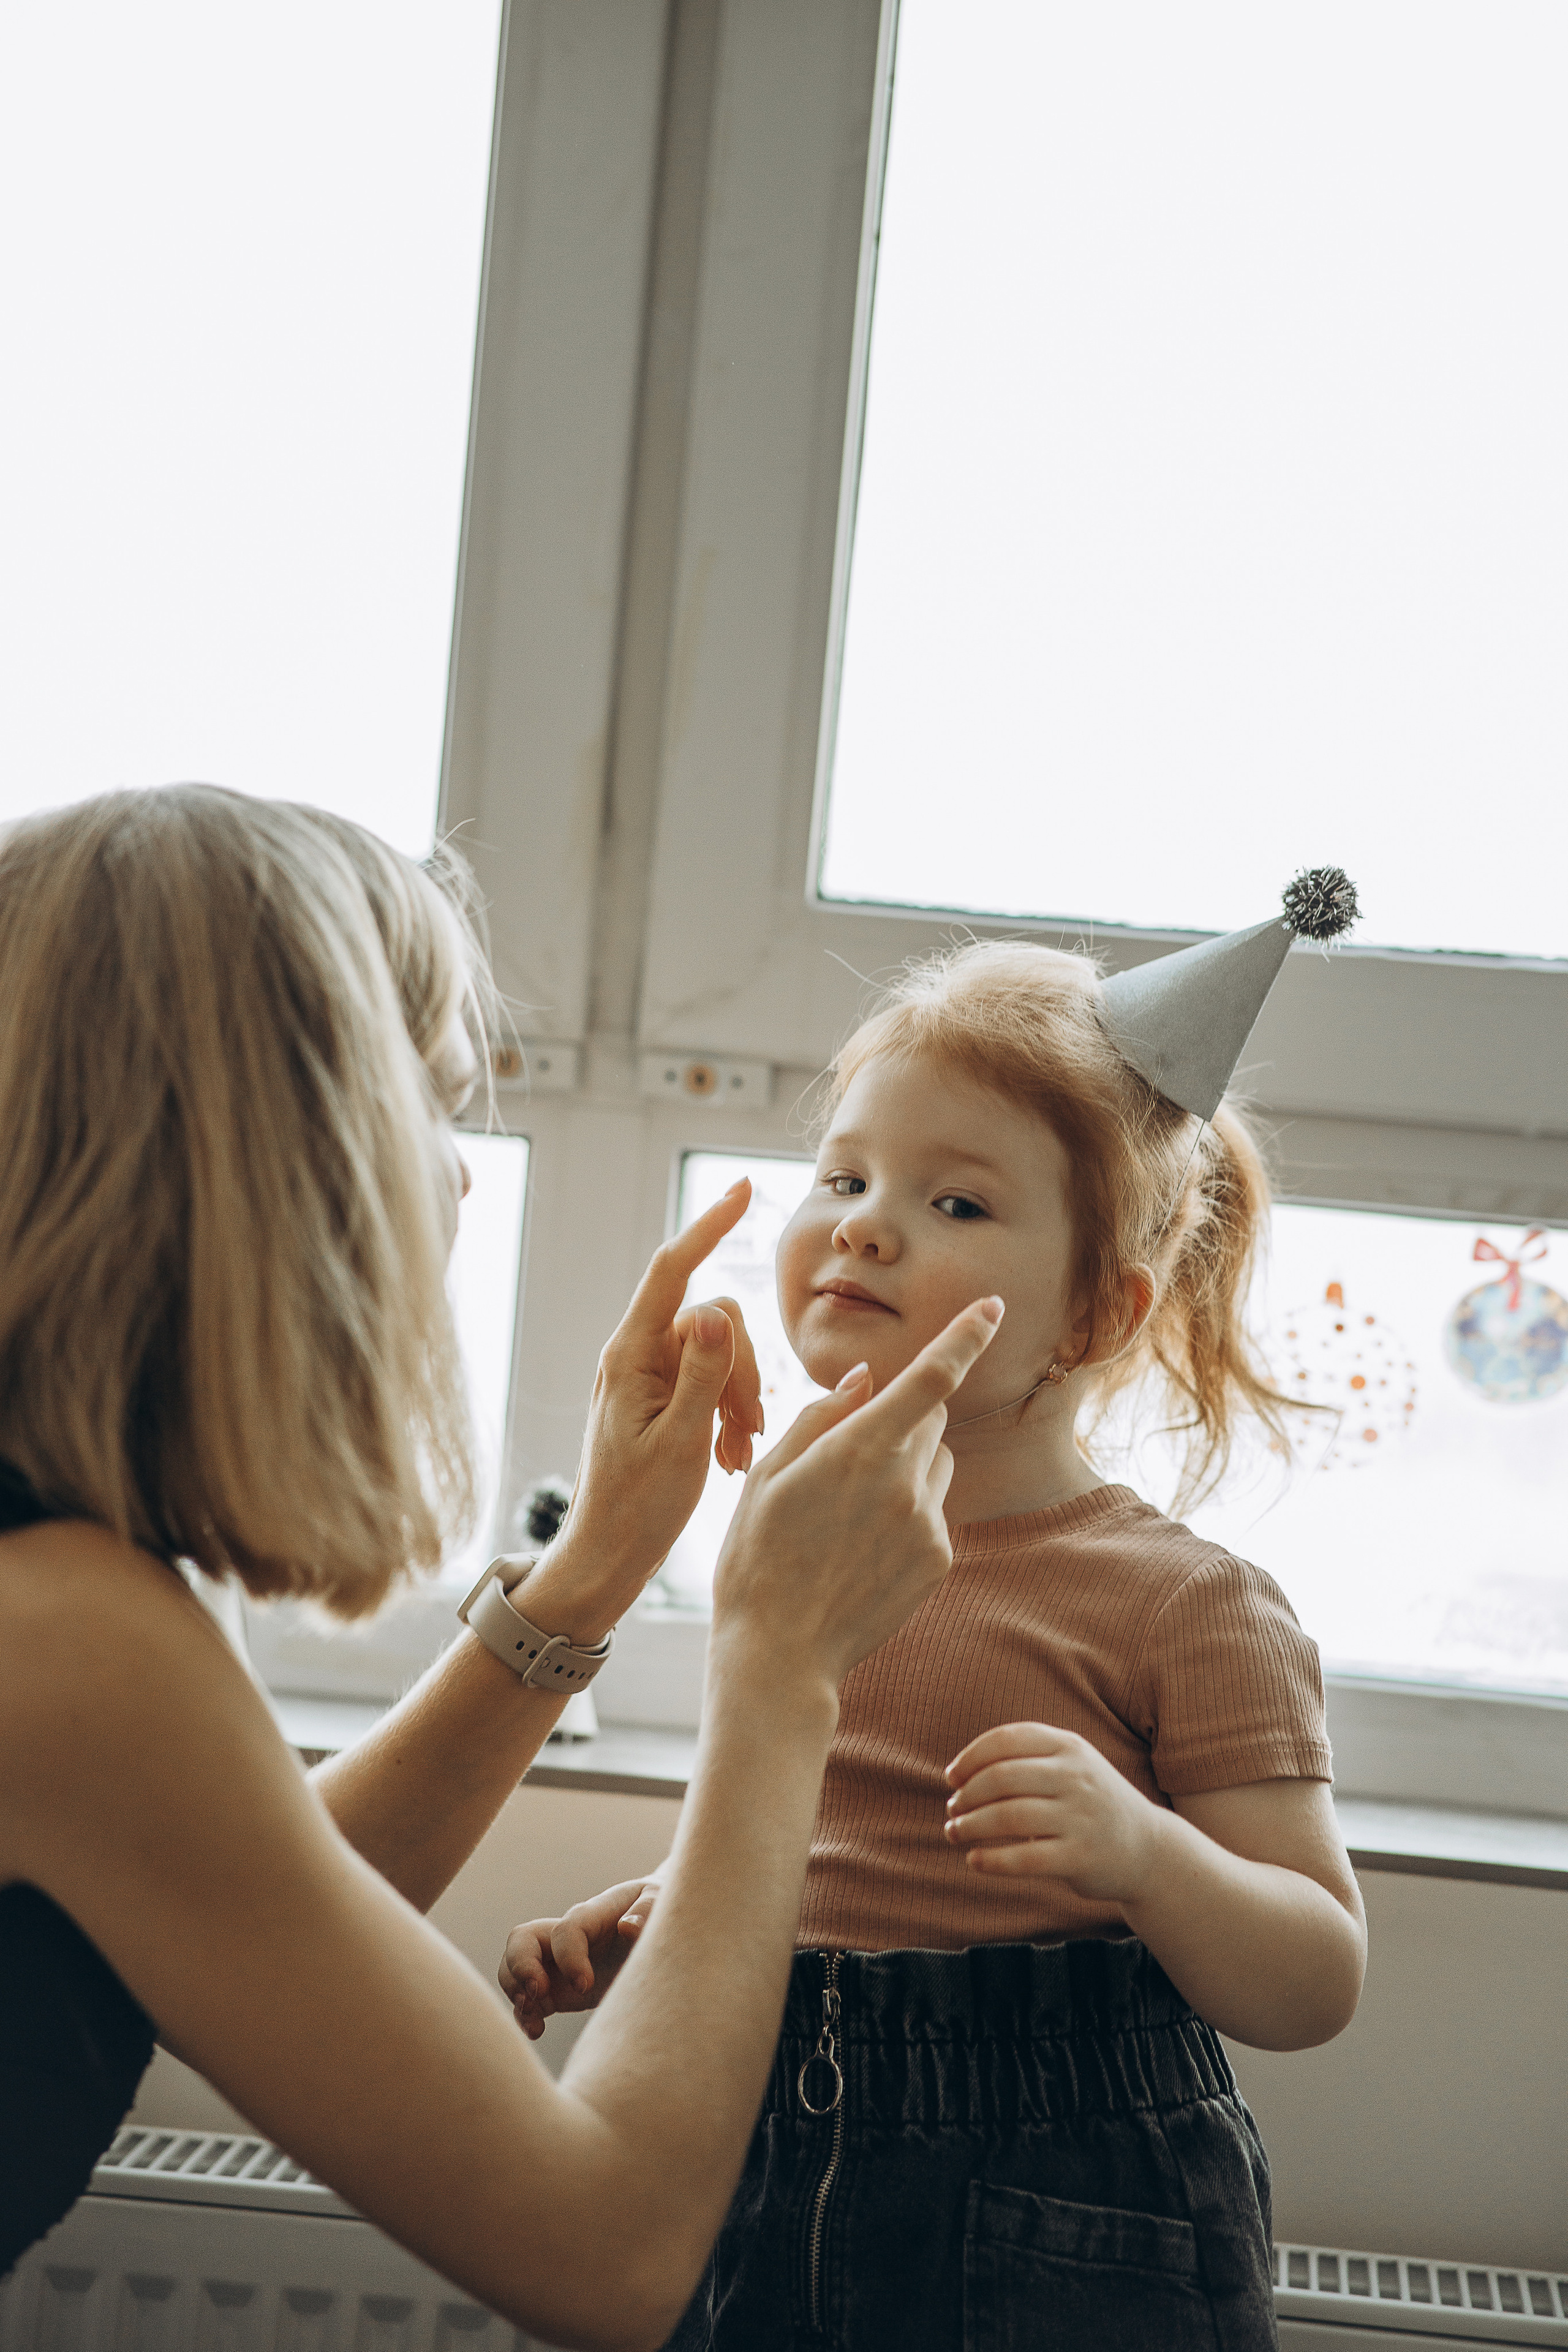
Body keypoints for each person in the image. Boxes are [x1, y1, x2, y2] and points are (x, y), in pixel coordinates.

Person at [0, 785, 1005, 2350]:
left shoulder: (77, 1574)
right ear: (279, 1153)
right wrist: (777, 1666)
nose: (462, 1180)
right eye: (436, 1108)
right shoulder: (64, 1638)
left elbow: (254, 1895)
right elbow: (609, 2253)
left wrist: (591, 1570)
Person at [500, 929, 1371, 2351]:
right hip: (755, 2145)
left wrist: (1144, 1856)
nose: (861, 1225)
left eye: (954, 1200)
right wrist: (660, 1914)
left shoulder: (1185, 1603)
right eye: (844, 1178)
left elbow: (1315, 1975)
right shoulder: (796, 1542)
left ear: (1095, 1311)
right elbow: (838, 1838)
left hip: (1052, 2195)